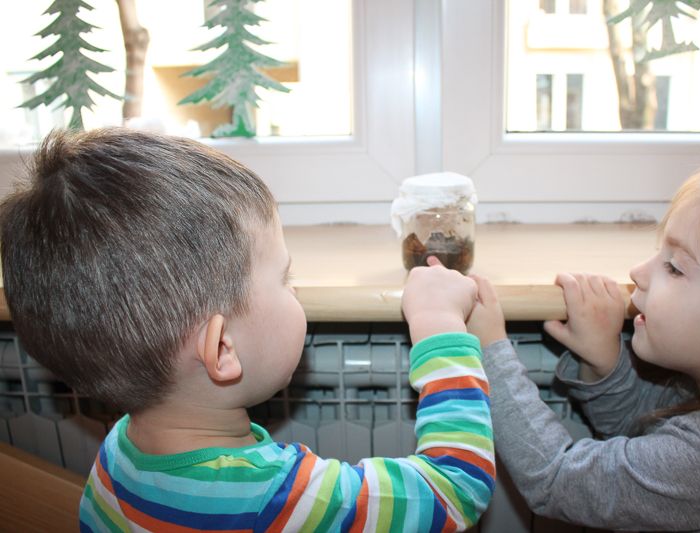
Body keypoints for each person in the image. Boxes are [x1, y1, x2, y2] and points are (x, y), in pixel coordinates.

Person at [0, 127, 495, 532]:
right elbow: (455, 489)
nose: (296, 291)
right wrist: (439, 326)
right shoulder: (276, 500)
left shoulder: (120, 454)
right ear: (222, 348)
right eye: (284, 278)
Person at [466, 146, 700, 532]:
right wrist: (605, 362)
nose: (638, 272)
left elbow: (556, 478)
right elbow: (644, 430)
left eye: (674, 267)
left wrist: (488, 349)